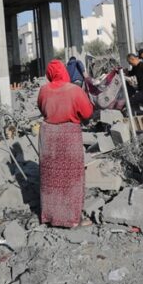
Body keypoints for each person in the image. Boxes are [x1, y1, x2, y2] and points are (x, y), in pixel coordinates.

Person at [37, 59, 94, 228]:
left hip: (48, 137)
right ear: (64, 71)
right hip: (69, 136)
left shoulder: (43, 90)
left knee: (50, 177)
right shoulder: (74, 90)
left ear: (49, 74)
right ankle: (72, 218)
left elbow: (41, 108)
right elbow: (87, 112)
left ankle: (50, 217)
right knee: (72, 177)